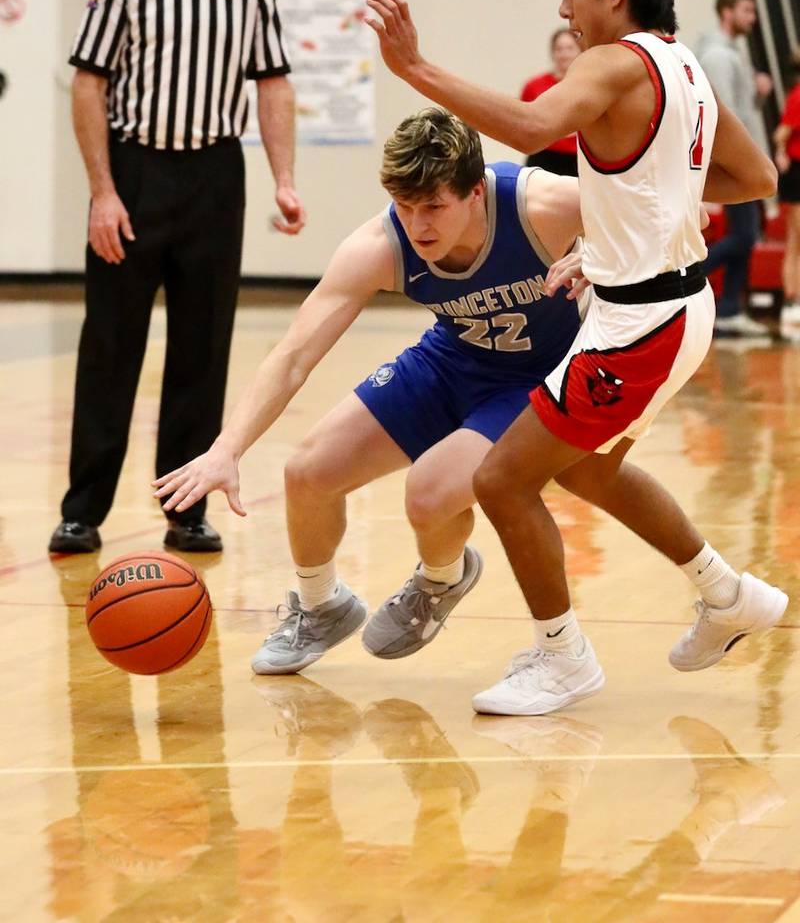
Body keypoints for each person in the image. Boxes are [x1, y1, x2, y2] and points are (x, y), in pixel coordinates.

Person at [365, 0, 786, 716]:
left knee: (502, 481)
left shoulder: (613, 62)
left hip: (643, 326)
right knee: (588, 468)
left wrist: (416, 71)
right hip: (667, 307)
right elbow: (758, 177)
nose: (565, 8)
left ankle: (562, 657)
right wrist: (647, 219)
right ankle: (725, 593)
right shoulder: (684, 65)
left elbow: (528, 128)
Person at [154, 107, 585, 672]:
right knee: (307, 472)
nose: (419, 225)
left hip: (538, 377)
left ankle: (440, 580)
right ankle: (321, 606)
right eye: (405, 207)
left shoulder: (542, 206)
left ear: (476, 192)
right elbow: (291, 357)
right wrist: (227, 449)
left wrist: (602, 252)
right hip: (452, 359)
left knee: (428, 493)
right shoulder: (381, 245)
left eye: (434, 206)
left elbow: (676, 206)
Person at [49, 0, 306, 557]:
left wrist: (285, 180)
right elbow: (89, 82)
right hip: (133, 175)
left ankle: (186, 508)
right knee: (111, 344)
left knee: (203, 349)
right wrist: (102, 191)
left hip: (215, 177)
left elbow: (274, 81)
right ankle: (83, 508)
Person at [696, 0, 773, 336]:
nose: (752, 19)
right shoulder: (719, 56)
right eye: (747, 10)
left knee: (748, 235)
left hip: (746, 162)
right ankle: (684, 277)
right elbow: (722, 117)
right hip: (737, 164)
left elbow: (738, 110)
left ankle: (728, 309)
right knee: (743, 236)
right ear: (726, 12)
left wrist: (757, 95)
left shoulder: (733, 54)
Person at [520, 27, 580, 174]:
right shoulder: (534, 86)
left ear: (579, 50)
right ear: (552, 53)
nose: (564, 54)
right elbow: (525, 121)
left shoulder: (587, 87)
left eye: (569, 48)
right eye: (559, 49)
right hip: (543, 157)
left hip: (577, 158)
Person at [774, 52, 800, 334]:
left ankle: (792, 302)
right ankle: (793, 302)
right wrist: (781, 154)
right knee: (797, 240)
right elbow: (781, 133)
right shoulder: (798, 95)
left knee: (795, 241)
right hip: (797, 173)